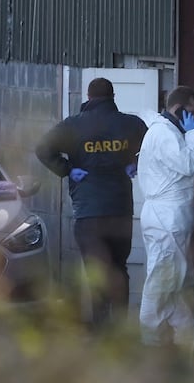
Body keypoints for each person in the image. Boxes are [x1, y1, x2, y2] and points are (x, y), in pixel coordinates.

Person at [35, 77, 147, 329]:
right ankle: (119, 328)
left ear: (88, 97)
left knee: (96, 272)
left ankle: (97, 329)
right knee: (119, 268)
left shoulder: (73, 126)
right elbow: (152, 148)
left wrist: (66, 169)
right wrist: (136, 163)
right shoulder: (131, 124)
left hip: (89, 212)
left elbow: (42, 148)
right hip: (120, 210)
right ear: (113, 96)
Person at [137, 85, 194, 347]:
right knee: (161, 280)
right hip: (167, 220)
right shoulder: (165, 133)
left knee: (175, 281)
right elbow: (188, 164)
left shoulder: (165, 131)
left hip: (168, 218)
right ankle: (149, 341)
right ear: (178, 109)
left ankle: (186, 336)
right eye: (191, 113)